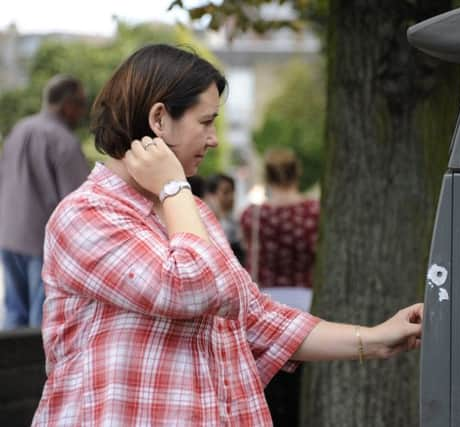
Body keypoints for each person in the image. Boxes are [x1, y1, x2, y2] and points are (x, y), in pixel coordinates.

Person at [31, 44, 423, 427]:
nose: (214, 138)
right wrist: (172, 187)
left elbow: (255, 319)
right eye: (205, 121)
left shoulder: (190, 212)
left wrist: (374, 339)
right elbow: (187, 287)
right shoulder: (86, 215)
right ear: (158, 119)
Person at [0, 75, 89, 329]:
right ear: (68, 104)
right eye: (81, 104)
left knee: (13, 315)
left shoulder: (19, 129)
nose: (83, 112)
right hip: (42, 242)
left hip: (8, 235)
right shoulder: (63, 141)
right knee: (42, 325)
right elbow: (79, 204)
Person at [239, 147, 319, 425]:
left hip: (266, 307)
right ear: (296, 172)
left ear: (268, 176)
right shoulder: (314, 212)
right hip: (308, 305)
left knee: (272, 393)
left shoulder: (253, 216)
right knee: (302, 391)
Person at [206, 173, 246, 264]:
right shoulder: (202, 226)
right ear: (210, 195)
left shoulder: (235, 223)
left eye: (233, 192)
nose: (231, 197)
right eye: (226, 192)